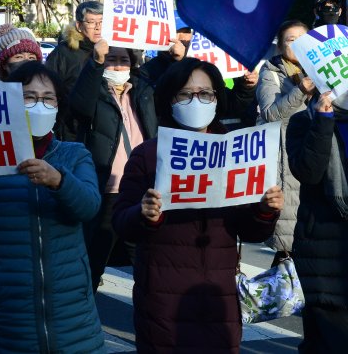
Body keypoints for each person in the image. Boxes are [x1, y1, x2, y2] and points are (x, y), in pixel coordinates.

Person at [112, 57, 283, 353]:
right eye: (185, 94)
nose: (196, 101)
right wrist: (144, 214)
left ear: (217, 99)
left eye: (205, 93)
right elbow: (122, 223)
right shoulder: (148, 155)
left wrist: (265, 210)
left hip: (219, 299)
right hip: (164, 299)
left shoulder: (236, 153)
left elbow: (251, 231)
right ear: (169, 100)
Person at [0, 61, 106, 353]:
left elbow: (89, 207)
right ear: (10, 103)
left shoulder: (74, 155)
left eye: (48, 98)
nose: (39, 106)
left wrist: (59, 181)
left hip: (72, 309)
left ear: (59, 105)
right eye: (29, 97)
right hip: (10, 312)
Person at [70, 40, 156, 290]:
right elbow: (79, 106)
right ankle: (84, 305)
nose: (118, 66)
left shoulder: (143, 90)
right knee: (95, 259)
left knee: (145, 263)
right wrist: (96, 63)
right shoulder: (93, 90)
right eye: (112, 59)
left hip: (140, 189)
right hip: (107, 189)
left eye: (124, 60)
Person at [286, 94, 348, 351]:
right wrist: (323, 120)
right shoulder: (305, 120)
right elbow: (308, 172)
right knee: (327, 342)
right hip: (323, 255)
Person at [256, 20, 314, 265]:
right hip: (289, 159)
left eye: (303, 39)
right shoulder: (271, 72)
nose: (298, 44)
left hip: (319, 153)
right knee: (289, 245)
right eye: (291, 40)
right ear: (280, 46)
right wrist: (300, 89)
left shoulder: (321, 69)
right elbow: (270, 113)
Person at [45, 1, 102, 140]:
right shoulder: (63, 53)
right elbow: (48, 90)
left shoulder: (115, 52)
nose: (98, 27)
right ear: (79, 26)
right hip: (72, 133)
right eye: (91, 22)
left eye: (102, 22)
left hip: (105, 131)